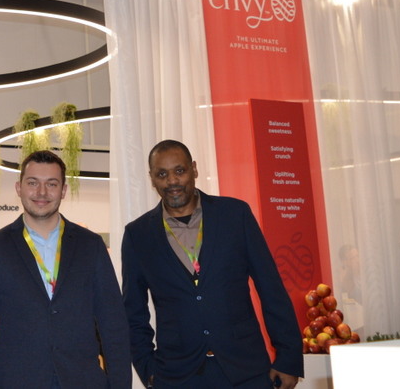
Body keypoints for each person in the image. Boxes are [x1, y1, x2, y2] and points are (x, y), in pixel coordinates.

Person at [121, 140, 302, 389]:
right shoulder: (138, 235)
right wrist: (148, 369)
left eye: (179, 170)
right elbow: (133, 312)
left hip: (246, 370)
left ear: (194, 169)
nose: (172, 181)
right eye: (162, 174)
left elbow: (271, 288)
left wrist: (289, 358)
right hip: (177, 376)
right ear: (152, 178)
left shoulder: (235, 215)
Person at [0, 149, 130, 388]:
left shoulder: (90, 245)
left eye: (51, 184)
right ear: (19, 188)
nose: (41, 192)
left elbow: (113, 325)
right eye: (33, 183)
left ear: (63, 190)